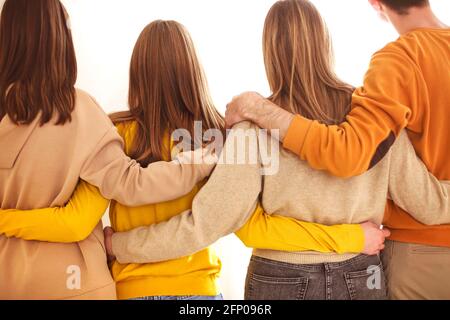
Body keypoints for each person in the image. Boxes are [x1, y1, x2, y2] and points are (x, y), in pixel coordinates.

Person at [37, 0, 448, 300]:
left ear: (270, 53)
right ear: (325, 44)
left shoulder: (254, 128)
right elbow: (427, 203)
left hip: (280, 280)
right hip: (364, 277)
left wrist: (119, 247)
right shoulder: (370, 117)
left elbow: (208, 222)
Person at [225, 0, 450, 300]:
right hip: (363, 271)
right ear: (325, 41)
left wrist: (258, 109)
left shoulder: (398, 64)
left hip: (416, 254)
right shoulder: (362, 104)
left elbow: (347, 154)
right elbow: (425, 200)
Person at [0, 0, 215, 300]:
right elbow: (124, 192)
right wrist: (195, 164)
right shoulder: (80, 113)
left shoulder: (118, 130)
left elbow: (78, 218)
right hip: (81, 286)